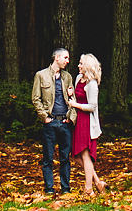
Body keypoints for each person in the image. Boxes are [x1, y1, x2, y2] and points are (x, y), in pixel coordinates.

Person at [31, 47, 74, 195]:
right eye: (65, 58)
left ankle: (65, 189)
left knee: (65, 158)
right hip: (50, 123)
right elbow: (36, 99)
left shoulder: (67, 76)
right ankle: (49, 189)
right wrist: (45, 118)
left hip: (65, 122)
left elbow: (72, 99)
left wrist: (70, 118)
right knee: (48, 158)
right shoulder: (41, 75)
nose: (67, 61)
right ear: (57, 58)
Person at [69, 53, 107, 196]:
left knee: (85, 155)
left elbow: (92, 106)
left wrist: (76, 104)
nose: (78, 66)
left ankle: (89, 189)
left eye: (81, 64)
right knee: (76, 155)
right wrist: (71, 94)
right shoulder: (79, 78)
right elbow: (75, 98)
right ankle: (98, 182)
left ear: (88, 66)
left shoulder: (92, 84)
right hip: (77, 120)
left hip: (86, 122)